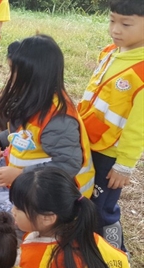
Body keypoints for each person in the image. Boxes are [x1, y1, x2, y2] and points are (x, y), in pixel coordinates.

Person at [0, 35, 95, 197]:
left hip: (57, 196)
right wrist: (0, 139)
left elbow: (67, 164)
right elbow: (27, 132)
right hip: (33, 185)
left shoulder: (58, 119)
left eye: (14, 72)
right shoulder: (33, 97)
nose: (10, 78)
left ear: (33, 76)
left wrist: (21, 174)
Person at [77, 0, 144, 251]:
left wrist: (124, 166)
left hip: (110, 154)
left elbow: (138, 127)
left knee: (103, 209)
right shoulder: (109, 52)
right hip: (88, 141)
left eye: (126, 24)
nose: (116, 29)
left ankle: (117, 256)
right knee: (83, 199)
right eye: (112, 20)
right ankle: (87, 250)